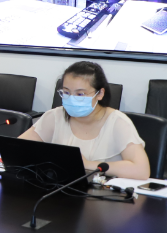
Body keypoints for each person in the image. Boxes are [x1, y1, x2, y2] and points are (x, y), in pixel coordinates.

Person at [19, 61, 149, 179]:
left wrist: (87, 164)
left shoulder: (118, 122)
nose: (72, 99)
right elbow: (17, 149)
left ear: (100, 93)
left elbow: (141, 171)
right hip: (58, 189)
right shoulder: (55, 116)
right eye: (66, 92)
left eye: (80, 94)